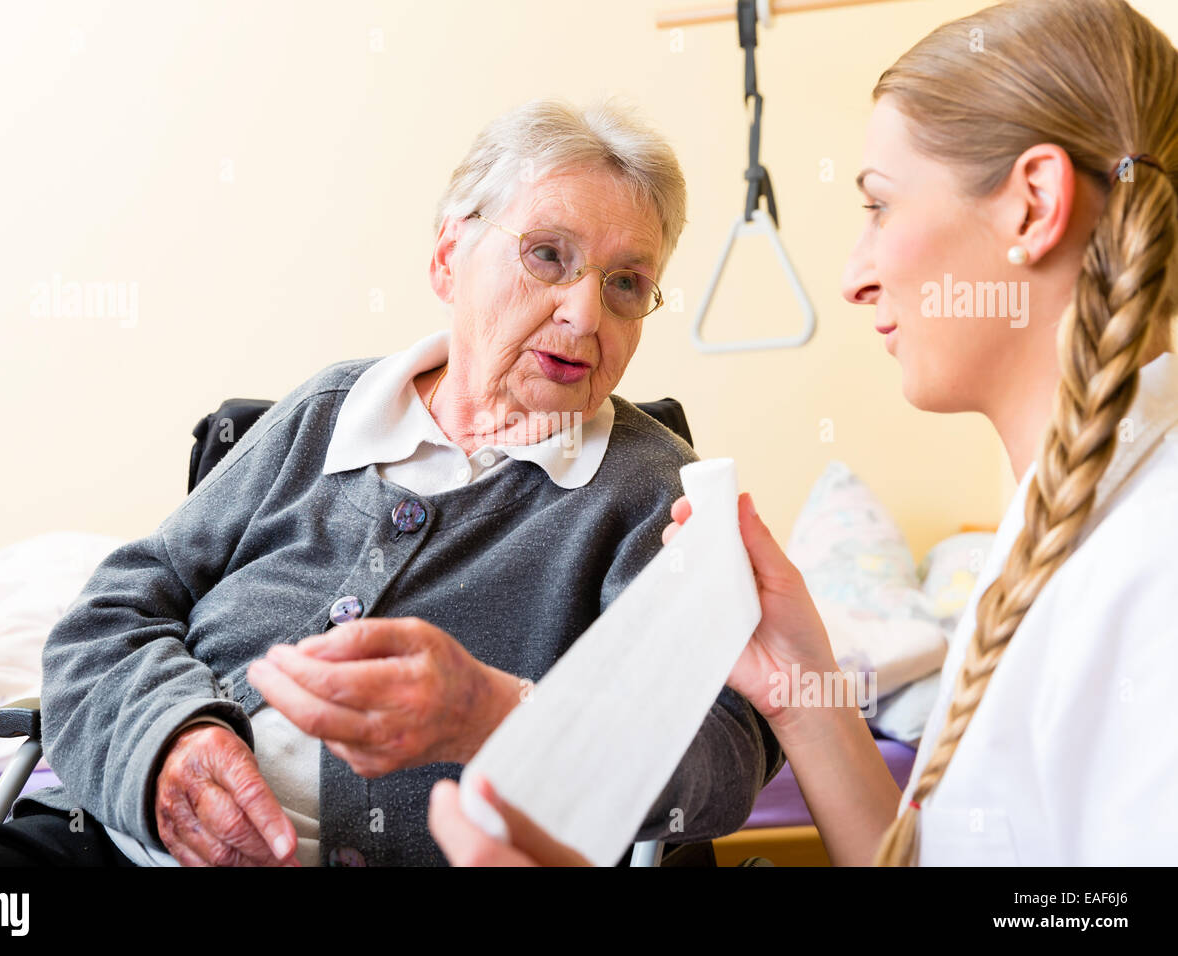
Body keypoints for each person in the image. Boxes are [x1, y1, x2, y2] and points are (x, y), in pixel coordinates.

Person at [0, 98, 781, 868]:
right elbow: (111, 614)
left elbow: (723, 756)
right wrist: (169, 741)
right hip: (123, 848)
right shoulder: (327, 411)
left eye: (628, 282)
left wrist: (502, 715)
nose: (586, 311)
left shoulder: (649, 489)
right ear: (446, 259)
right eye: (547, 253)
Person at [428, 0, 1178, 866]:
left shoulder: (1150, 562)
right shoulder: (1061, 530)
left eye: (879, 207)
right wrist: (801, 693)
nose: (855, 277)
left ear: (1033, 206)